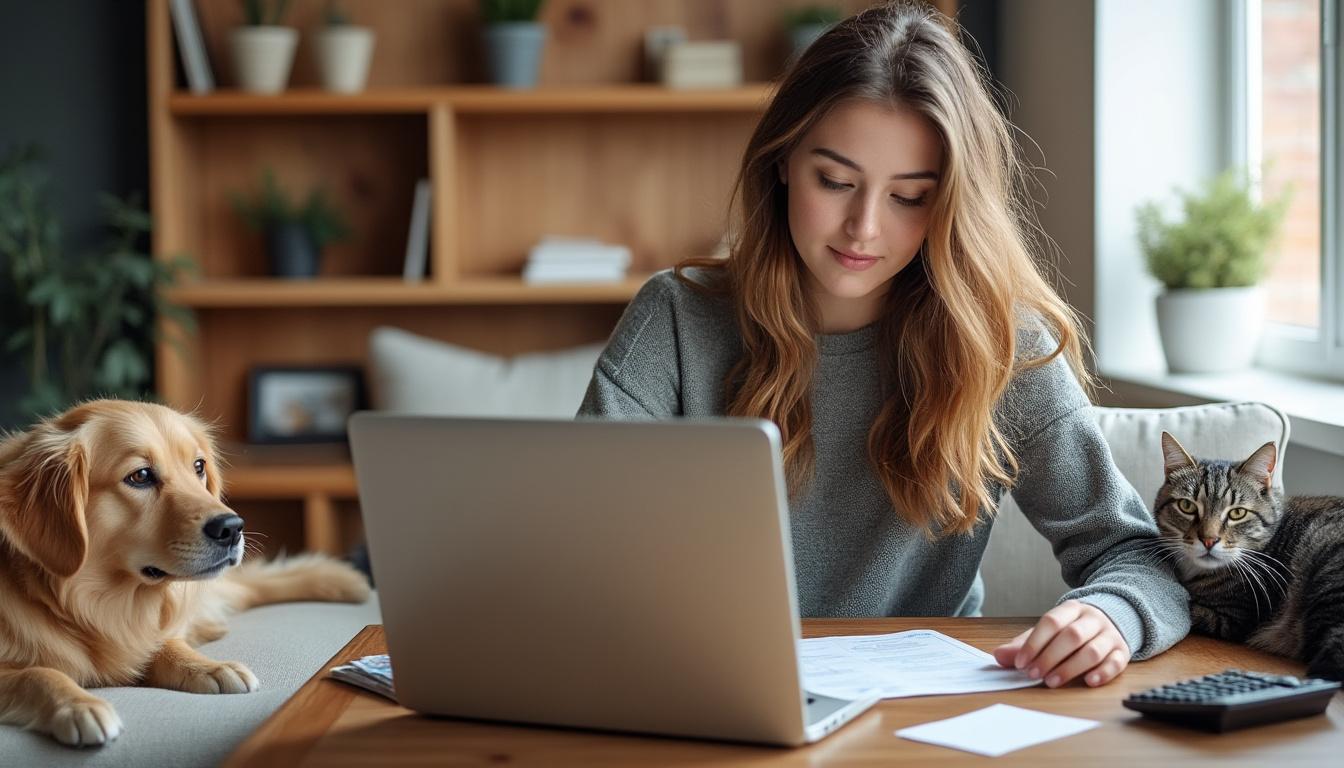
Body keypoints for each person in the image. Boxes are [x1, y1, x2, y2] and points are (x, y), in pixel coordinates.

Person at [577, 0, 1190, 689]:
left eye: (909, 197)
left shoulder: (997, 343)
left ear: (952, 202)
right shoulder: (676, 319)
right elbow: (577, 545)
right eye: (835, 181)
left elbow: (1134, 554)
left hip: (921, 713)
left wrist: (1110, 617)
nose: (863, 227)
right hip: (702, 688)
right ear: (782, 163)